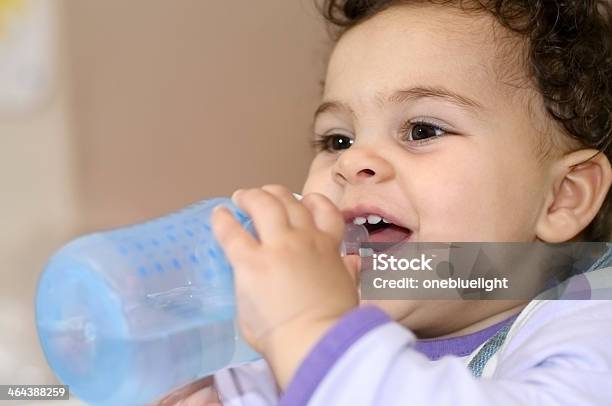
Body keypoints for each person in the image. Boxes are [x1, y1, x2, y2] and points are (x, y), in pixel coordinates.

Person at [155, 0, 612, 404]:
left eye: (422, 130)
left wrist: (309, 330)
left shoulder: (592, 329)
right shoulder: (289, 348)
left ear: (562, 197)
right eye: (338, 139)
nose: (354, 162)